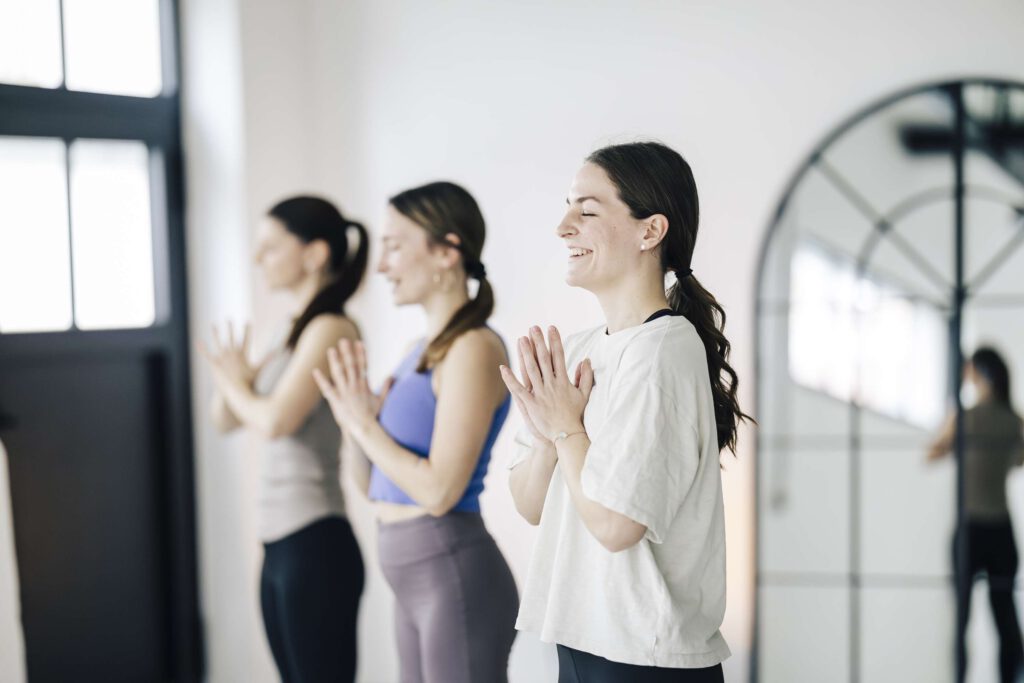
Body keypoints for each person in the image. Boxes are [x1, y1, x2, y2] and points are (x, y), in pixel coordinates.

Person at [502, 141, 750, 682]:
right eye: (567, 207)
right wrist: (550, 430)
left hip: (645, 658)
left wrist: (567, 426)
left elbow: (616, 526)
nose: (564, 226)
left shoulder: (664, 348)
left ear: (650, 231)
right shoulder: (579, 347)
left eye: (587, 210)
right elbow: (528, 503)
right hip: (581, 642)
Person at [314, 181, 519, 683]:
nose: (382, 265)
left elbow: (438, 491)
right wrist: (351, 421)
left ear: (447, 252)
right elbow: (370, 486)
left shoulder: (474, 348)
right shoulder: (416, 351)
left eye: (394, 245)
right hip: (410, 573)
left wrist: (366, 424)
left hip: (452, 570)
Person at [199, 196, 367, 682]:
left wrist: (235, 382)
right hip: (278, 545)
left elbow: (274, 422)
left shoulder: (331, 327)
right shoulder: (288, 330)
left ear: (314, 254)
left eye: (270, 247)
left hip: (315, 541)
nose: (258, 260)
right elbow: (224, 419)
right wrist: (234, 383)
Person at [928, 346, 1024, 683]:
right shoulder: (1014, 421)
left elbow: (933, 452)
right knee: (1005, 619)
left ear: (979, 374)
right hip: (999, 529)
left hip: (973, 528)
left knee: (963, 622)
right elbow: (1018, 462)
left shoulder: (967, 417)